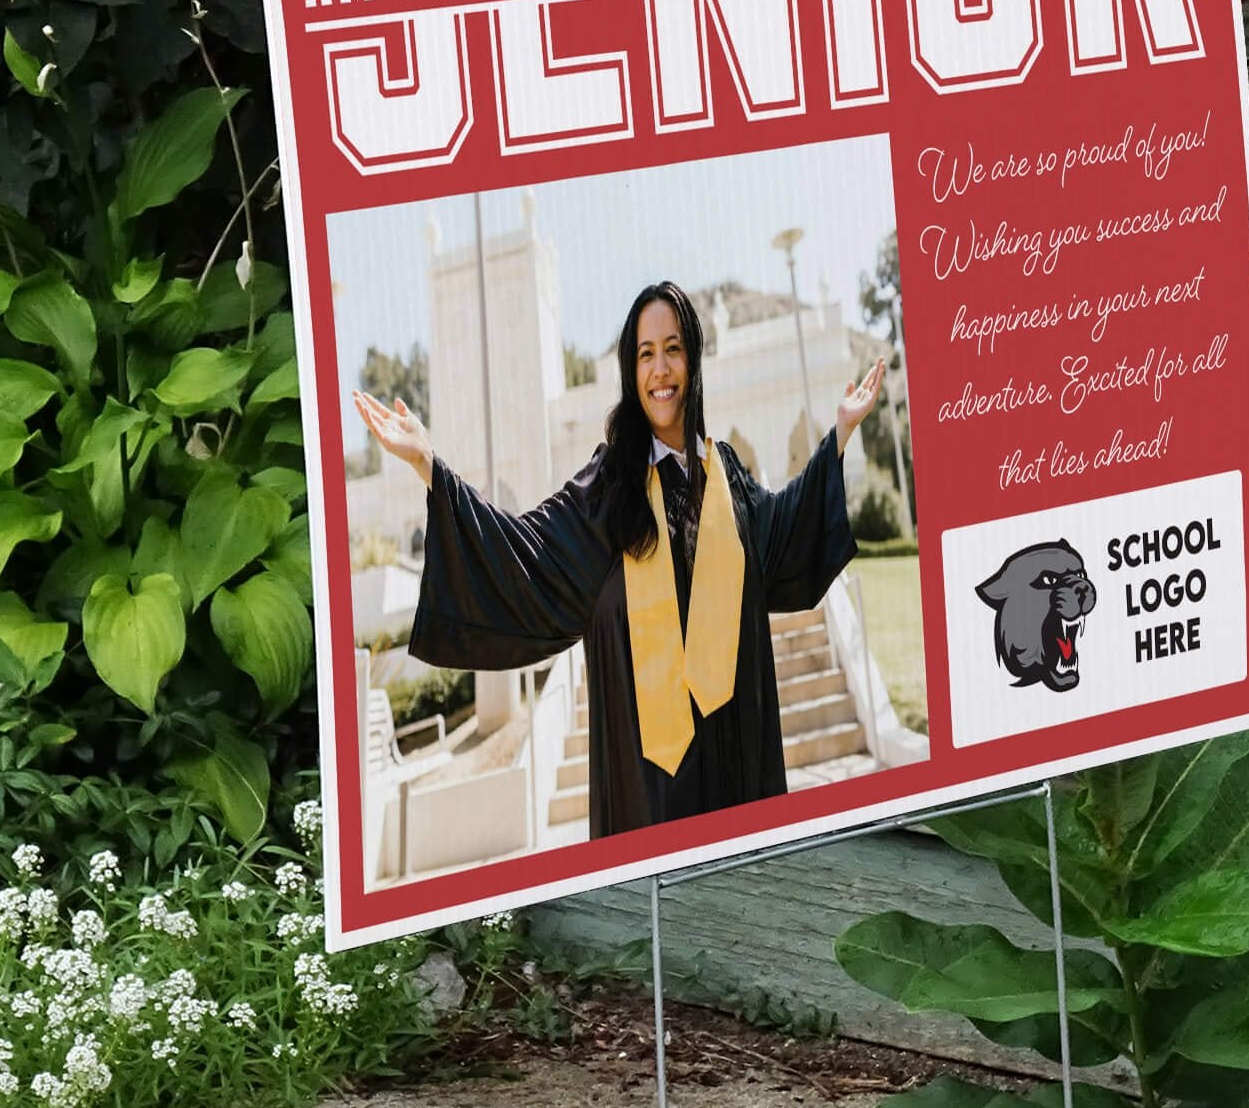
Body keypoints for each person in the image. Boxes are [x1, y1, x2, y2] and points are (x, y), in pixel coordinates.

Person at [353, 281, 885, 840]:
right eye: (645, 354)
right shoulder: (609, 485)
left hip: (737, 756)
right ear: (631, 373)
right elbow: (524, 550)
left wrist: (840, 434)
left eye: (673, 349)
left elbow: (785, 531)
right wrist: (430, 467)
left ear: (693, 360)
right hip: (646, 784)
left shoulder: (724, 477)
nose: (661, 369)